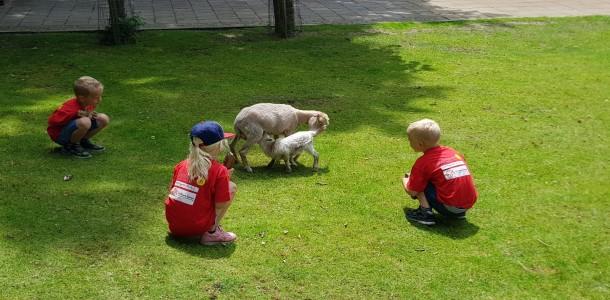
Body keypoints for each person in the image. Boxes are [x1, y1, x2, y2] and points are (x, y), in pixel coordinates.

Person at [165, 121, 238, 245]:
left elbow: (173, 191)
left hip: (174, 225)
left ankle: (186, 226)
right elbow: (220, 205)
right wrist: (225, 182)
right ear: (218, 146)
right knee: (232, 187)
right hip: (195, 226)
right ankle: (211, 234)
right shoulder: (219, 171)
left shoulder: (182, 165)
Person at [402, 119, 478, 225]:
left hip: (450, 207)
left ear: (420, 144)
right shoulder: (453, 152)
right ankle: (458, 213)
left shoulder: (423, 162)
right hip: (467, 205)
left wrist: (406, 180)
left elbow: (413, 191)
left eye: (410, 140)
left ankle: (425, 214)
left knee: (418, 182)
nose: (409, 142)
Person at [47, 76, 110, 158]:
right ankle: (71, 146)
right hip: (60, 135)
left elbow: (86, 115)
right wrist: (75, 114)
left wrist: (90, 114)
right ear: (82, 98)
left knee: (103, 118)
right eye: (96, 97)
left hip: (75, 130)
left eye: (100, 96)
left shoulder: (88, 103)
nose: (99, 100)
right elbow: (52, 121)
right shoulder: (69, 108)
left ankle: (82, 141)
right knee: (85, 122)